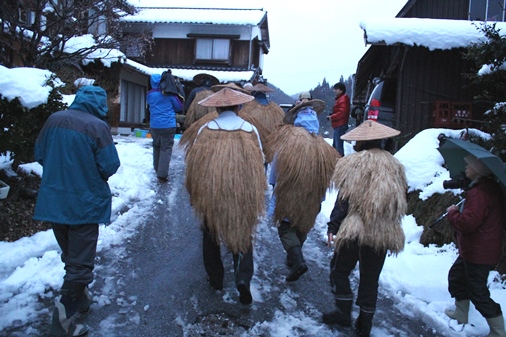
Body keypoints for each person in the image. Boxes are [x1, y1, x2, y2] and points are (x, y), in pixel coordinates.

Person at [33, 85, 120, 336]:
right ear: (100, 104)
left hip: (54, 202)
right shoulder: (97, 127)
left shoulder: (53, 119)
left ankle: (81, 300)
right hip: (84, 204)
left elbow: (40, 154)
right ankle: (61, 326)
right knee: (80, 264)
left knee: (72, 254)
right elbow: (110, 165)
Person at [322, 120, 406, 337]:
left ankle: (343, 312)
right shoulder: (395, 165)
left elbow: (344, 200)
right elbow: (398, 201)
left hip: (355, 229)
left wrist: (333, 226)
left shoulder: (353, 163)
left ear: (361, 141)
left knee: (339, 270)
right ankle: (365, 325)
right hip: (383, 232)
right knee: (370, 279)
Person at [184, 87, 266, 305]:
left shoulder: (206, 129)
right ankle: (242, 278)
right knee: (242, 235)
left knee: (210, 234)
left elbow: (194, 165)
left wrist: (195, 192)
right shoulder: (250, 130)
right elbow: (261, 163)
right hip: (242, 193)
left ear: (217, 107)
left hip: (212, 193)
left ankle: (216, 279)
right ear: (238, 106)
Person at [266, 100, 339, 282]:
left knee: (285, 227)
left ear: (297, 119)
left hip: (289, 192)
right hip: (313, 196)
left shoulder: (287, 141)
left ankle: (297, 259)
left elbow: (275, 170)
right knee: (303, 225)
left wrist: (275, 184)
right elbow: (329, 176)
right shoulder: (325, 148)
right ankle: (294, 257)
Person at [444, 154, 505, 336]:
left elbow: (468, 223)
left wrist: (453, 213)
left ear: (478, 171)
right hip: (473, 249)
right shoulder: (482, 188)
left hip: (480, 251)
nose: (466, 168)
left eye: (469, 165)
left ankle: (499, 330)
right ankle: (461, 314)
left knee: (477, 291)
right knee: (457, 278)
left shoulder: (480, 192)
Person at [147, 73, 183, 183]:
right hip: (168, 124)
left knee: (156, 147)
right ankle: (162, 175)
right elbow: (179, 107)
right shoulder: (169, 94)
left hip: (154, 125)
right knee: (165, 149)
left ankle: (157, 169)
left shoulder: (149, 94)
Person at [327, 82, 350, 156]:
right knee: (335, 145)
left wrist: (332, 117)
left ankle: (340, 161)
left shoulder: (343, 99)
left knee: (338, 146)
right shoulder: (340, 99)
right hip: (338, 125)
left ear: (341, 90)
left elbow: (342, 113)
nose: (334, 90)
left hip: (340, 125)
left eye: (336, 89)